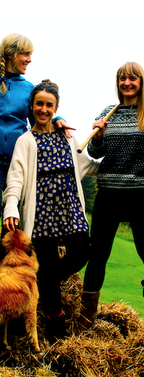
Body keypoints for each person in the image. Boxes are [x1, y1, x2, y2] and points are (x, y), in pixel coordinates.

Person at [2, 80, 100, 342]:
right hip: (41, 210)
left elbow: (87, 165)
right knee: (46, 261)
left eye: (49, 105)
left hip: (70, 207)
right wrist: (11, 207)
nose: (44, 109)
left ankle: (44, 280)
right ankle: (56, 327)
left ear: (56, 108)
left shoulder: (66, 135)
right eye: (39, 104)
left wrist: (116, 165)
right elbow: (16, 178)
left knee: (81, 254)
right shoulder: (25, 140)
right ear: (32, 106)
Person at [0, 34, 73, 279]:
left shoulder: (28, 88)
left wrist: (58, 120)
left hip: (21, 160)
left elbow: (40, 118)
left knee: (19, 216)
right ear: (10, 54)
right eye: (25, 54)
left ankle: (15, 272)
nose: (29, 60)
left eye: (30, 55)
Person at [78, 62, 144, 330]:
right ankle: (85, 319)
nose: (127, 83)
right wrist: (98, 136)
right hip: (109, 193)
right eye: (122, 79)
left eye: (132, 78)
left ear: (141, 81)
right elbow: (94, 153)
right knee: (98, 254)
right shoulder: (109, 112)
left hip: (141, 194)